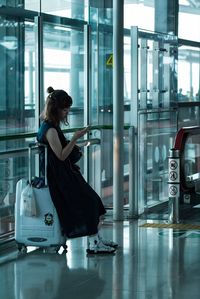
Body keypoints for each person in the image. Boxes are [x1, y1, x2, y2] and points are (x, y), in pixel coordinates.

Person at [37, 86, 118, 254]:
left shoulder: (50, 127)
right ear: (56, 109)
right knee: (90, 202)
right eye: (64, 110)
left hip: (64, 173)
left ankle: (95, 239)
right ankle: (94, 241)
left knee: (93, 202)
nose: (67, 113)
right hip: (60, 178)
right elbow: (60, 155)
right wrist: (75, 137)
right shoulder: (50, 130)